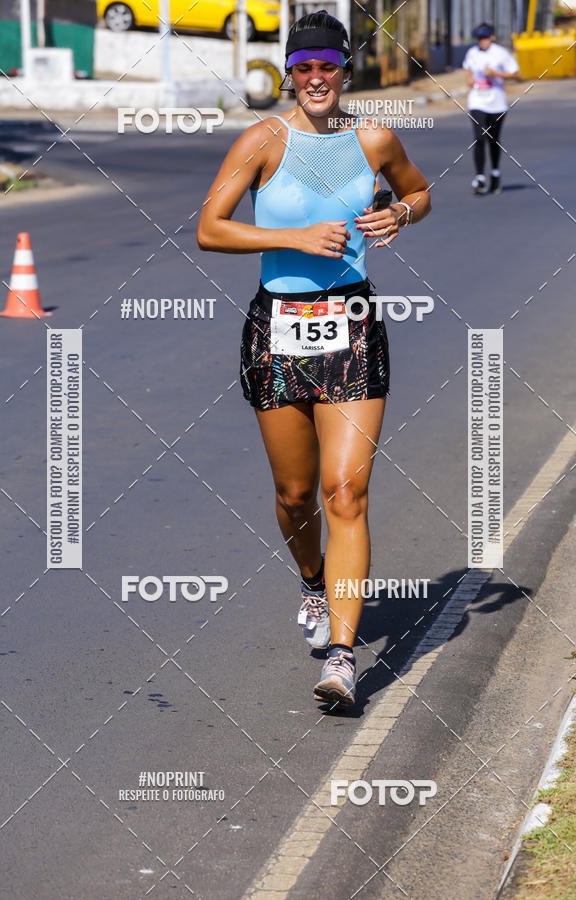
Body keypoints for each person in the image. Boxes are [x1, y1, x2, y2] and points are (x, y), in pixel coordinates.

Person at [197, 10, 430, 706]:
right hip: (277, 330)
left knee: (345, 492)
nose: (316, 78)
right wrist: (294, 237)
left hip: (353, 327)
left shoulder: (374, 138)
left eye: (328, 65)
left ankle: (342, 658)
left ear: (344, 70)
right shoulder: (263, 141)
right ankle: (312, 582)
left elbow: (419, 191)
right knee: (296, 495)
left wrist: (401, 214)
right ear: (291, 75)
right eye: (304, 68)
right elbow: (209, 228)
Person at [462, 23, 520, 195]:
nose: (483, 41)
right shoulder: (472, 53)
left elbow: (515, 73)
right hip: (477, 101)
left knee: (493, 139)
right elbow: (467, 68)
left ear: (492, 37)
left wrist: (495, 74)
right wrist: (469, 78)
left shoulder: (500, 53)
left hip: (496, 102)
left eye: (486, 37)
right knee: (479, 137)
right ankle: (480, 177)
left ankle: (495, 173)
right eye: (480, 38)